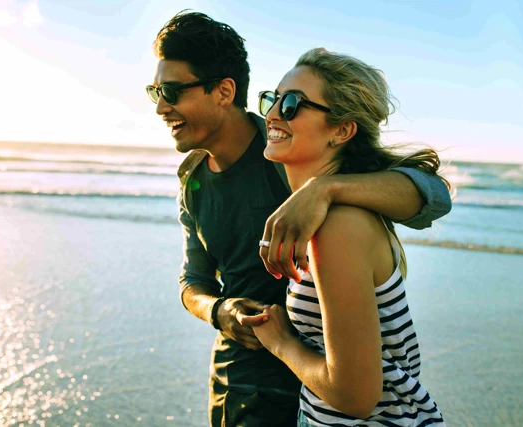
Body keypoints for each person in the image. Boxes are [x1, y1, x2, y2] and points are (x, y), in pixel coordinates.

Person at [146, 11, 451, 427]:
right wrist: (221, 311)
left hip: (310, 391)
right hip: (241, 382)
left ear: (223, 91)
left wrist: (325, 190)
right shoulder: (193, 181)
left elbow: (434, 197)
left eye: (172, 91)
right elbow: (192, 281)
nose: (161, 106)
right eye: (155, 91)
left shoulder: (292, 154)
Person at [251, 49, 447, 426]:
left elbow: (355, 397)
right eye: (272, 99)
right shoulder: (332, 214)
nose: (273, 114)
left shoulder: (338, 226)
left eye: (291, 103)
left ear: (342, 130)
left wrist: (281, 343)